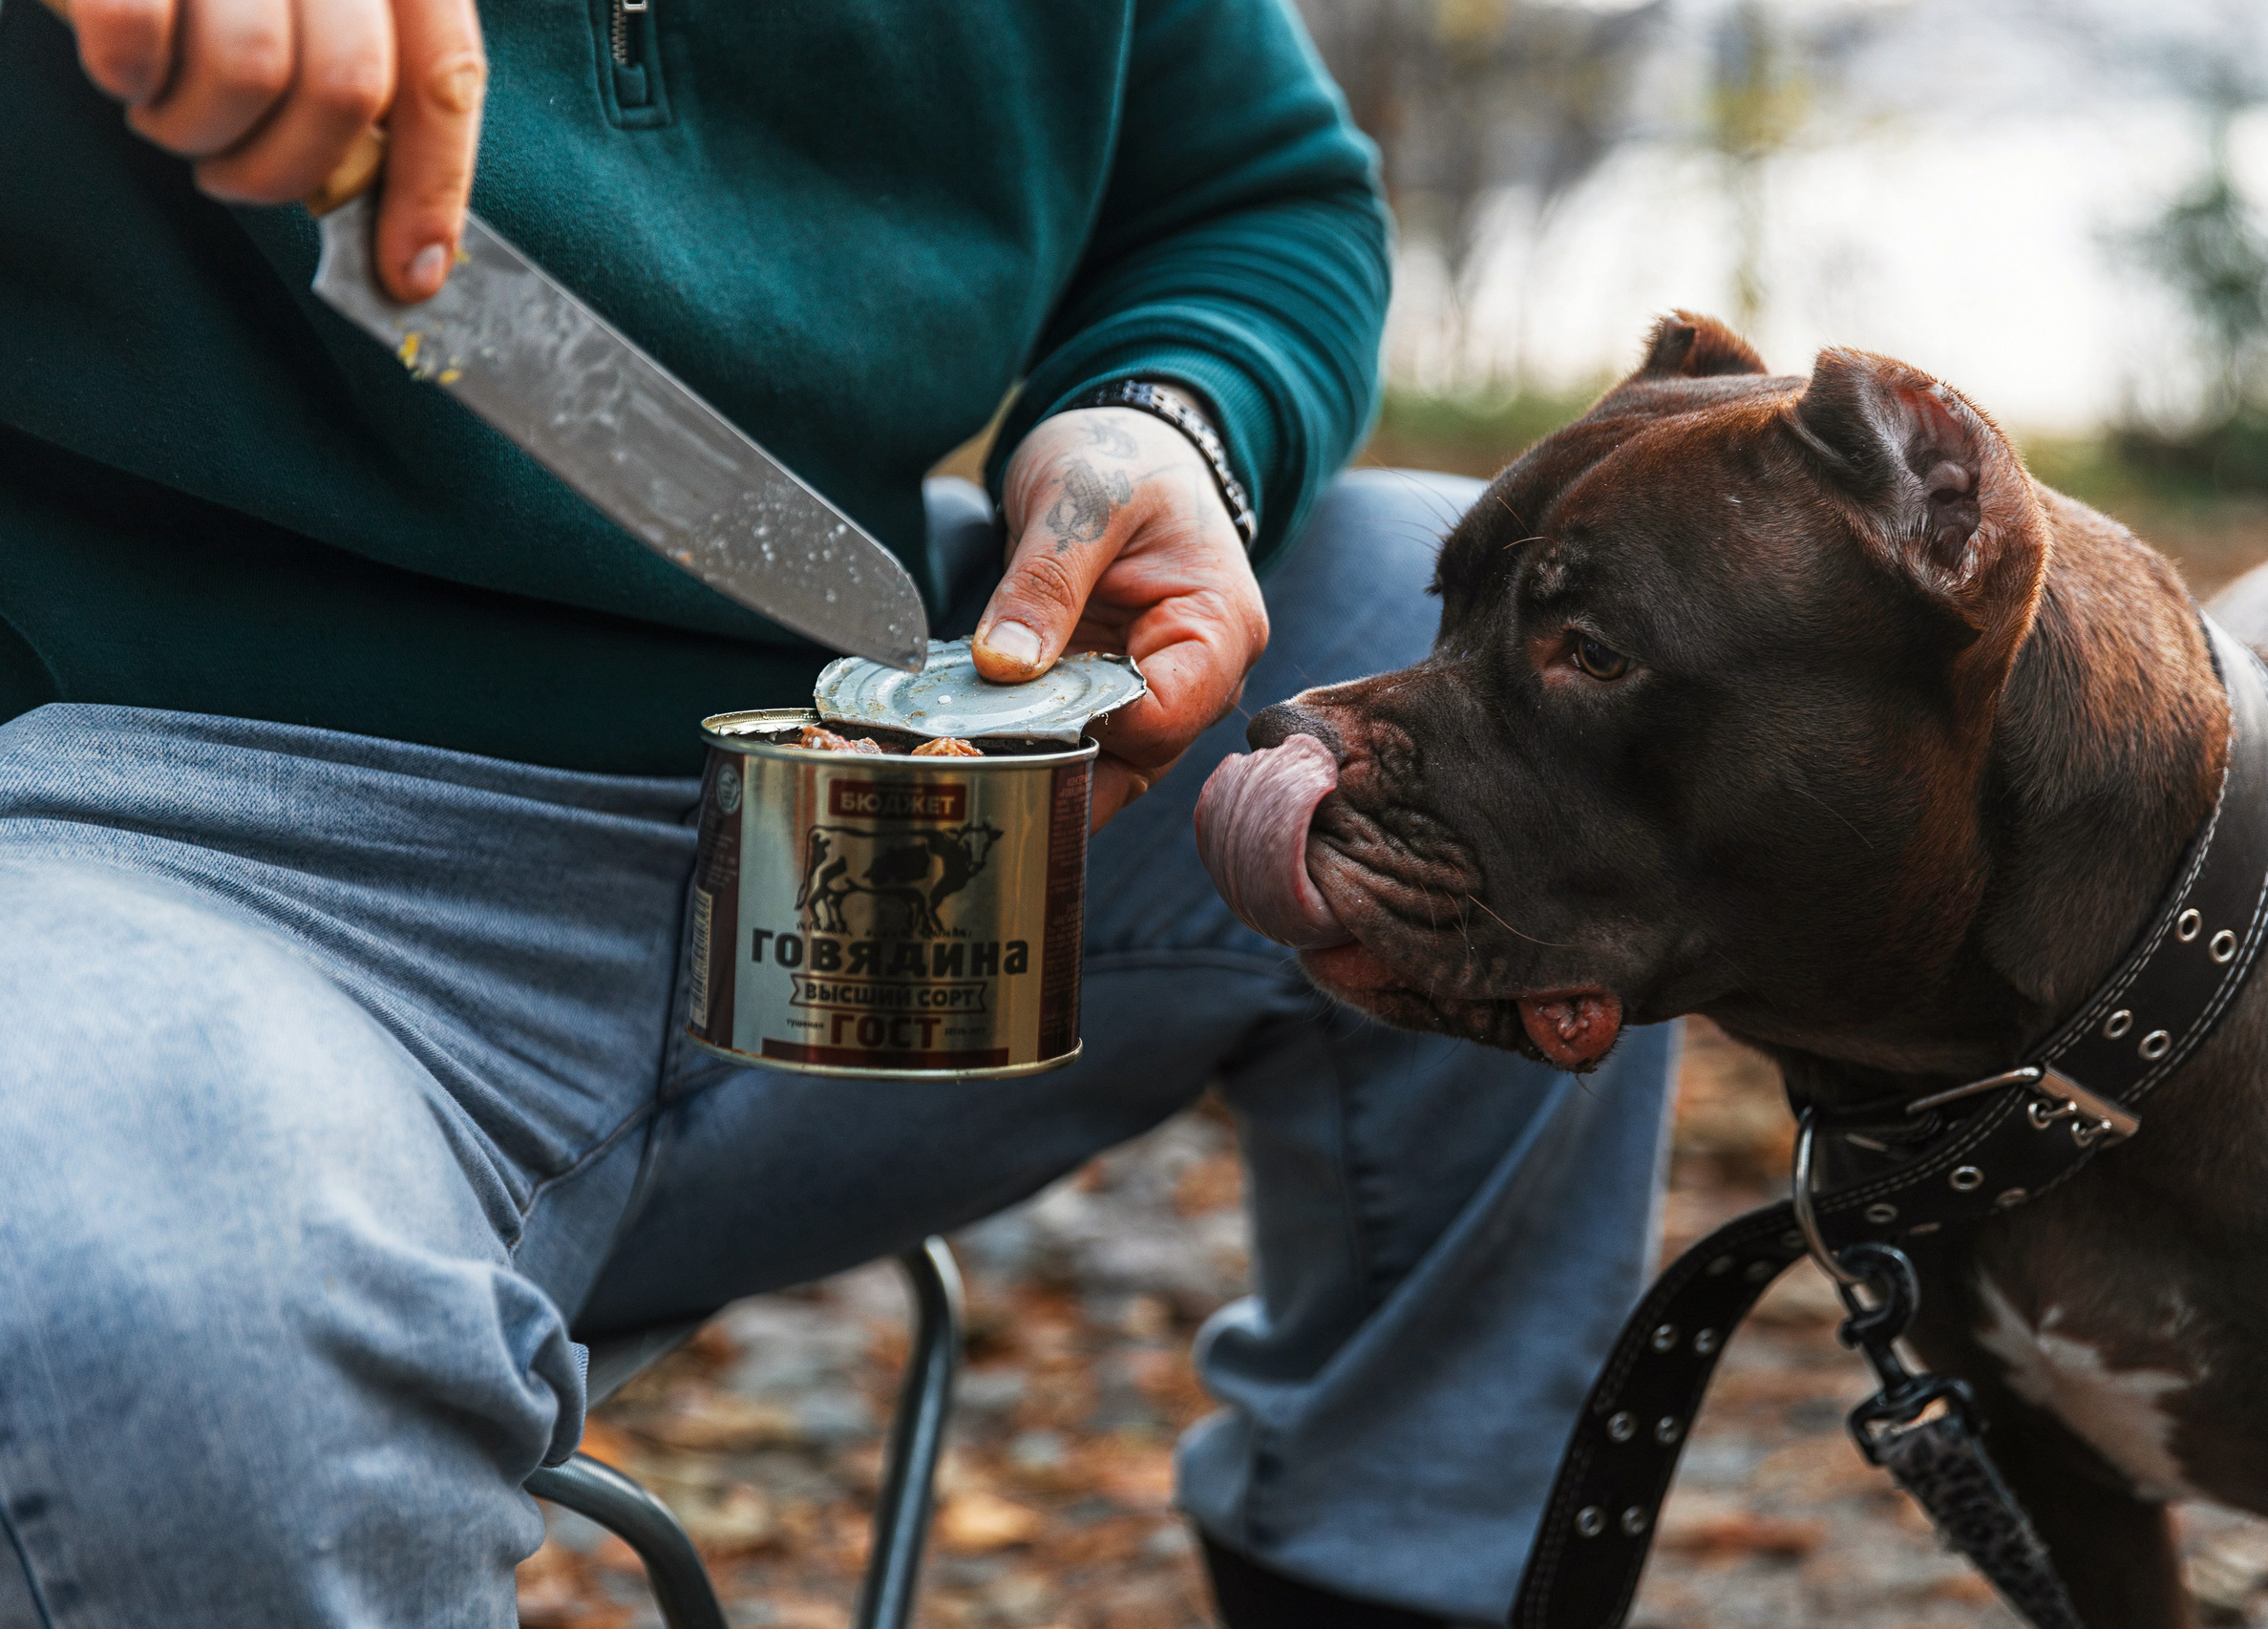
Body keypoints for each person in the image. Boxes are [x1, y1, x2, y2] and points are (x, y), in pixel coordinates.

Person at [0, 0, 1678, 1622]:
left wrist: (1171, 416)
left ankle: (1388, 1591)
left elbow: (1251, 190)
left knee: (1495, 697)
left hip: (897, 852)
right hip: (162, 871)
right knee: (155, 1265)